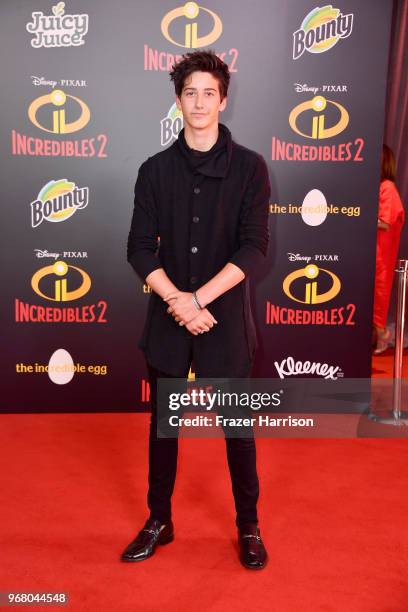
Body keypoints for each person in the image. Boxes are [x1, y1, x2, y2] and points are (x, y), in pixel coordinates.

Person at [123, 50, 270, 569]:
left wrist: (199, 300)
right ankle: (158, 520)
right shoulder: (154, 171)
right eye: (190, 92)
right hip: (168, 314)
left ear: (224, 100)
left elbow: (254, 249)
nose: (200, 101)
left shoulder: (251, 168)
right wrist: (176, 301)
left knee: (238, 429)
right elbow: (140, 247)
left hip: (222, 319)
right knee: (164, 426)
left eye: (210, 92)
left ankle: (248, 525)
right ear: (177, 100)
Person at [373, 144, 405, 354]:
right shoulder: (380, 187)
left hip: (382, 256)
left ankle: (383, 334)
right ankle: (380, 335)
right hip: (374, 253)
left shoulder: (388, 188)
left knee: (378, 295)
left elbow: (385, 221)